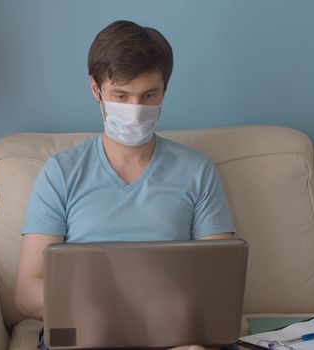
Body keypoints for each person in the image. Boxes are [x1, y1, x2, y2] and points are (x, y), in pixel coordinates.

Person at [15, 20, 237, 350]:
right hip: (87, 328)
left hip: (173, 330)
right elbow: (26, 292)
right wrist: (95, 299)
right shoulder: (61, 172)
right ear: (96, 90)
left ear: (165, 90)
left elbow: (219, 284)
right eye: (121, 95)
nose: (135, 111)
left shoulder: (198, 171)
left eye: (149, 95)